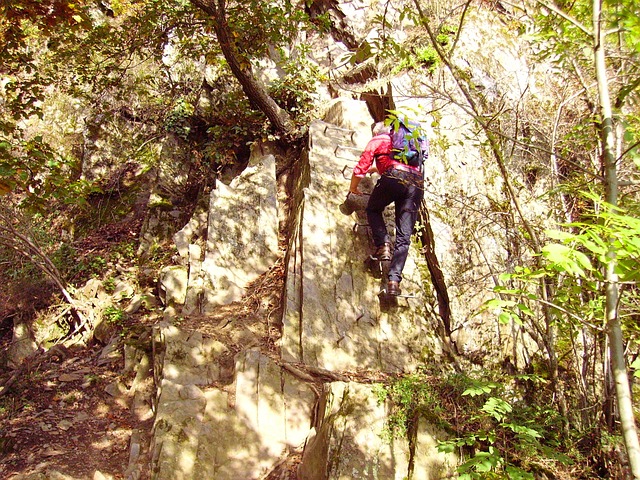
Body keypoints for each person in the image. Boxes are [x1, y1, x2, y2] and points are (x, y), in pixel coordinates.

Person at [348, 120, 426, 296]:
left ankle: (383, 245)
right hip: (416, 183)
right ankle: (394, 282)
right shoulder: (405, 145)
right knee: (404, 236)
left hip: (394, 177)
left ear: (376, 132)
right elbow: (394, 164)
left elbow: (361, 167)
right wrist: (378, 168)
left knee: (373, 209)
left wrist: (353, 187)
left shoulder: (379, 140)